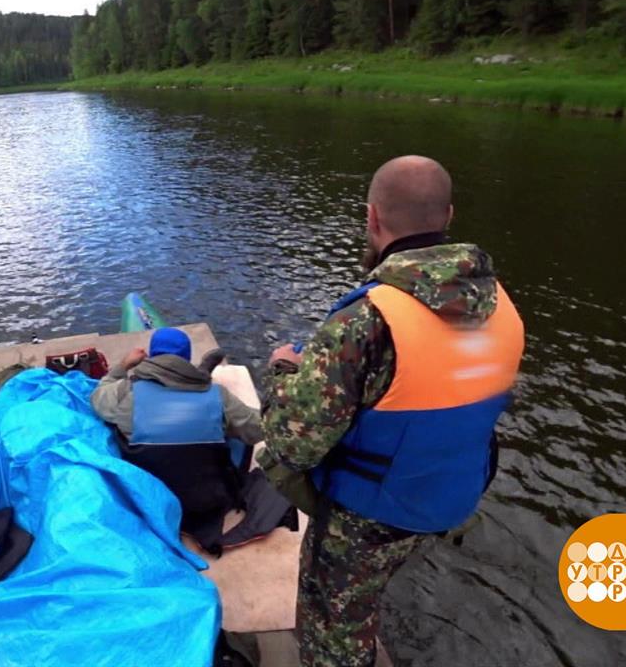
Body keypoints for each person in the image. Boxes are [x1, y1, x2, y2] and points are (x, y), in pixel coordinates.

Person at [258, 156, 525, 667]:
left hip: (370, 511)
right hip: (452, 494)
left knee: (332, 626)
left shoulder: (367, 320)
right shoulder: (501, 304)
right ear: (447, 214)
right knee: (374, 584)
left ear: (372, 218)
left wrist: (282, 373)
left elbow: (294, 443)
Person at [90, 327, 267, 552]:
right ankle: (202, 374)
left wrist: (123, 366)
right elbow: (258, 430)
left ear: (152, 356)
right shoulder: (218, 396)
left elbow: (97, 397)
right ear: (186, 358)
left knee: (113, 427)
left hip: (149, 499)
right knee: (235, 429)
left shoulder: (126, 392)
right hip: (206, 501)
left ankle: (201, 375)